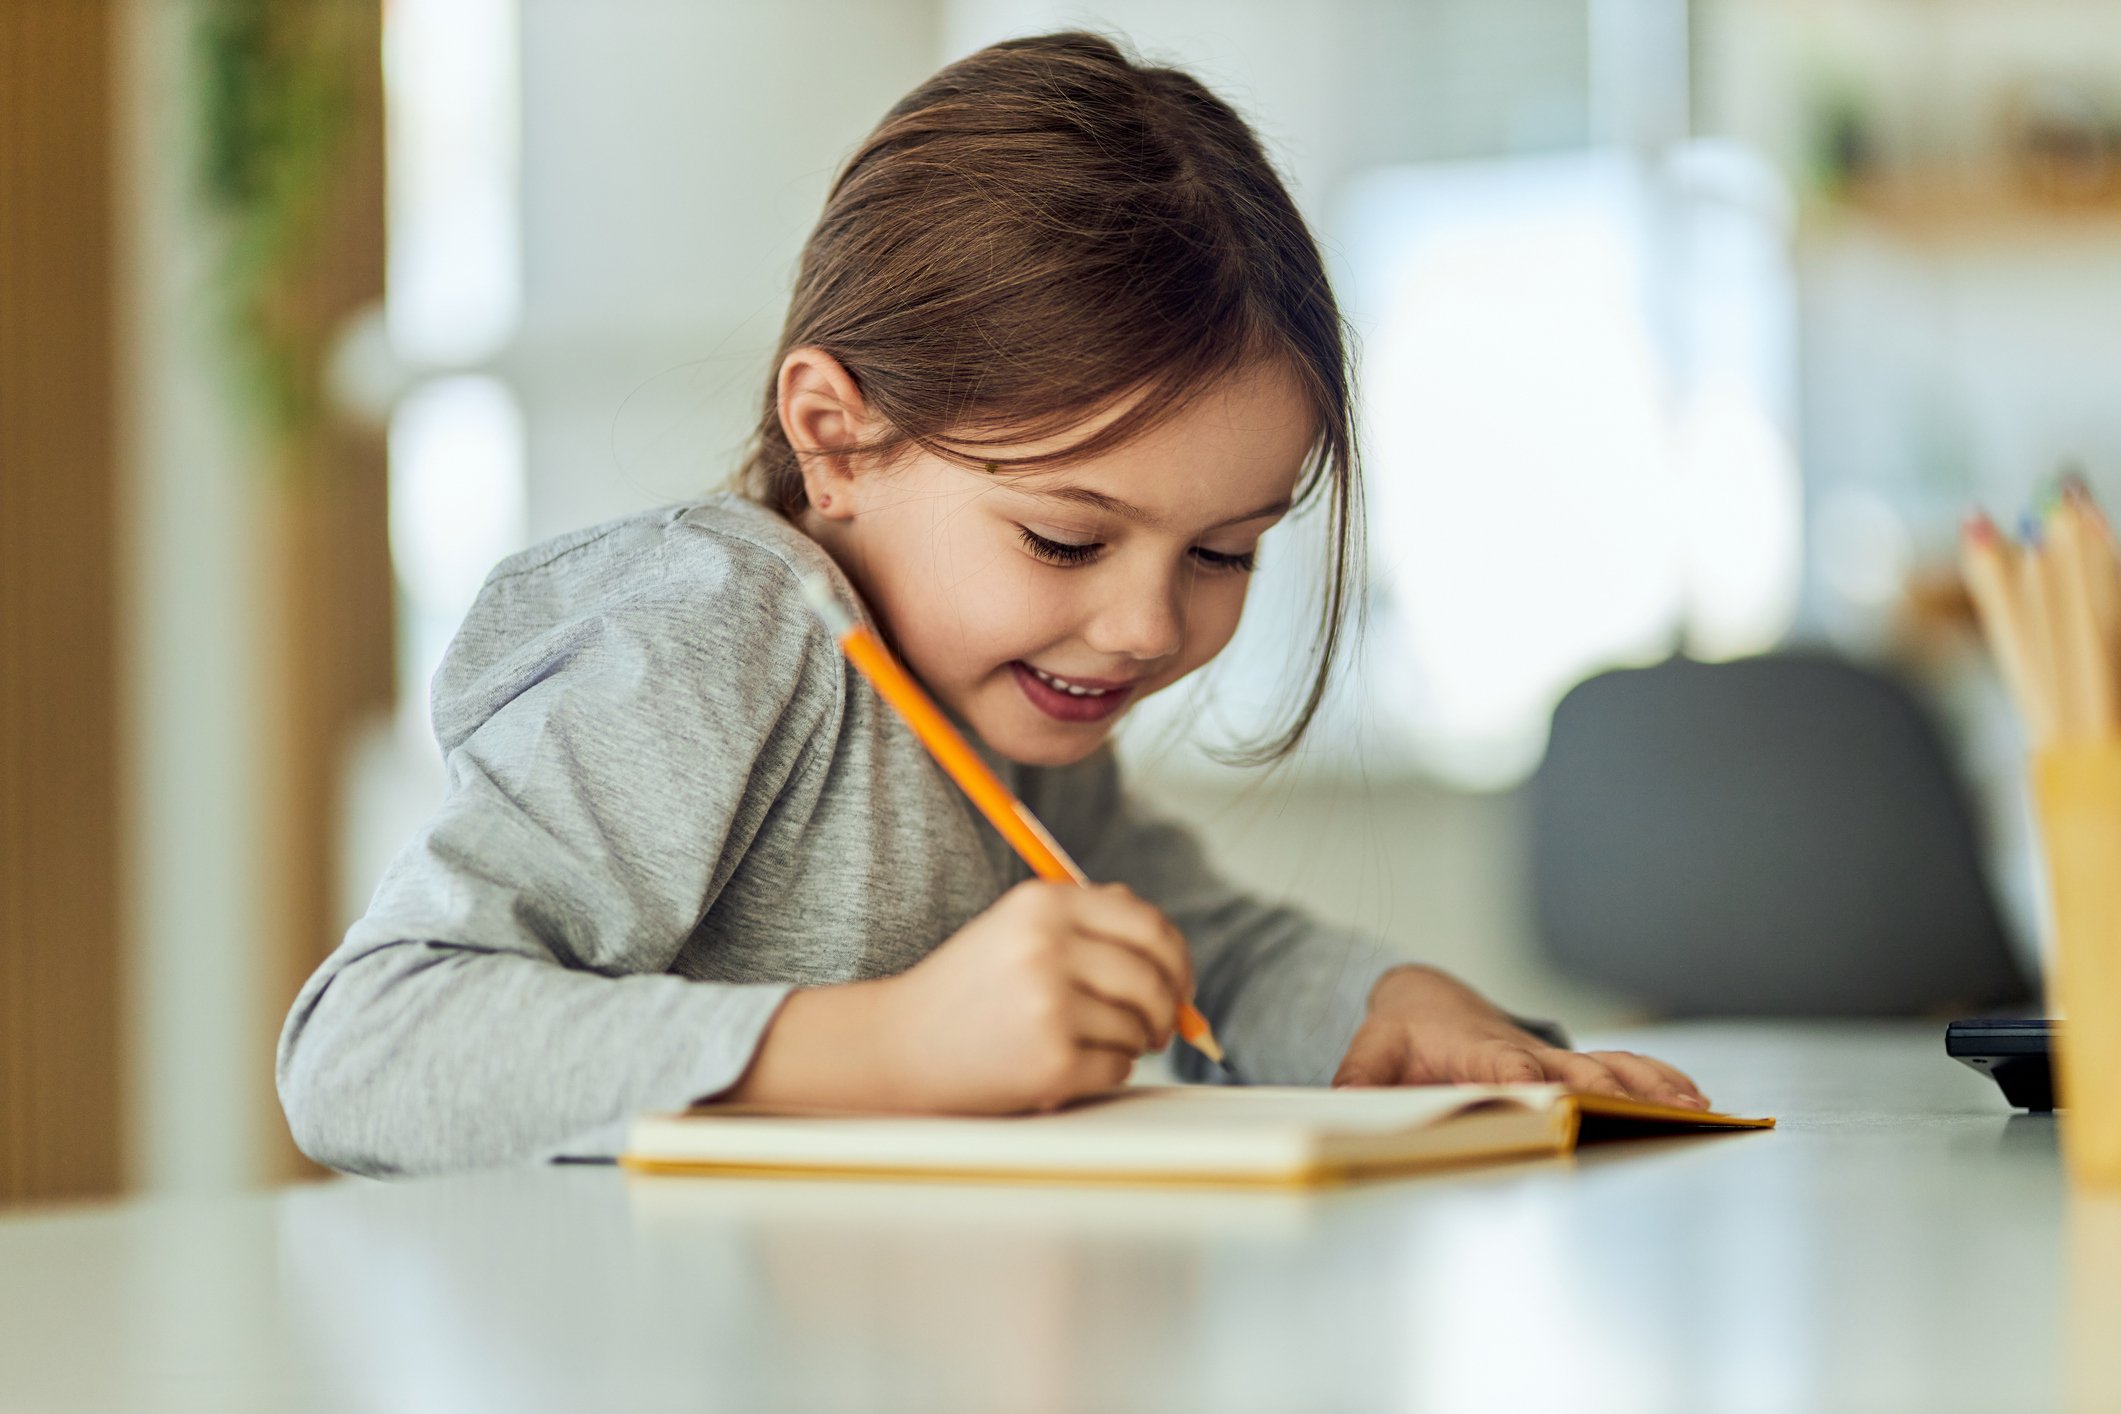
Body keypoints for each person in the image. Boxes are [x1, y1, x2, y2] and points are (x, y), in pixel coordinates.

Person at [278, 31, 1708, 1178]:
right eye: (1064, 537)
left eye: (1223, 553)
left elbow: (1189, 948)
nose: (1148, 626)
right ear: (836, 438)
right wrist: (884, 1048)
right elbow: (368, 1043)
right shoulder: (709, 632)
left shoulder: (1010, 686)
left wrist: (1393, 1015)